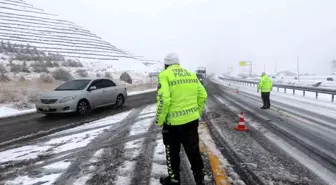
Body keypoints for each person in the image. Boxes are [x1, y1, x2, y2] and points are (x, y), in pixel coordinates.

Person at [156, 52, 208, 185]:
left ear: (166, 64)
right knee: (193, 149)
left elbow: (164, 100)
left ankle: (174, 179)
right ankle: (199, 177)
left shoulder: (164, 75)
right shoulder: (191, 74)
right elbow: (203, 95)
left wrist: (160, 120)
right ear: (178, 63)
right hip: (191, 122)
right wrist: (196, 112)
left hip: (173, 124)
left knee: (172, 152)